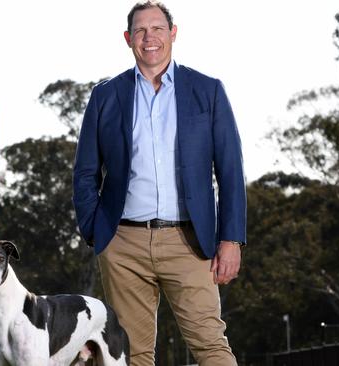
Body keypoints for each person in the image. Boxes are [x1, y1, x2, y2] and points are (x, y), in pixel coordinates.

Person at [73, 1, 246, 365]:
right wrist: (96, 232)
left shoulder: (208, 91)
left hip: (191, 243)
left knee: (211, 346)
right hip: (123, 245)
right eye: (140, 30)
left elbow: (229, 171)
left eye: (157, 29)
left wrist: (230, 239)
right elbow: (86, 171)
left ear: (173, 33)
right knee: (132, 355)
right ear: (128, 38)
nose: (149, 38)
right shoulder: (106, 95)